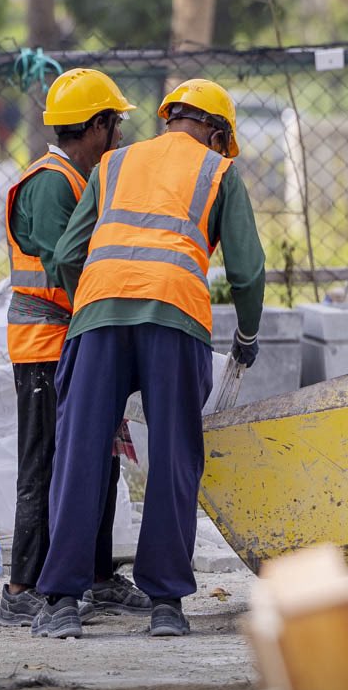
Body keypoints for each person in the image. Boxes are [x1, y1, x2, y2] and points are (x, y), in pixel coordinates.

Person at [32, 78, 265, 639]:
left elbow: (66, 254)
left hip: (98, 316)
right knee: (173, 456)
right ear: (216, 133)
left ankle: (62, 601)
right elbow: (248, 271)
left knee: (80, 453)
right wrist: (248, 338)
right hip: (175, 316)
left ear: (169, 120)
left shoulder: (115, 164)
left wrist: (91, 299)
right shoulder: (219, 171)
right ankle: (165, 606)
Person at [0, 67, 154, 626]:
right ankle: (22, 589)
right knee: (45, 466)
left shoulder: (76, 181)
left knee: (95, 462)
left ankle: (96, 574)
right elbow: (67, 264)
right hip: (46, 344)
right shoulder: (51, 184)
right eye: (113, 123)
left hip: (70, 341)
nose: (118, 135)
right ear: (95, 126)